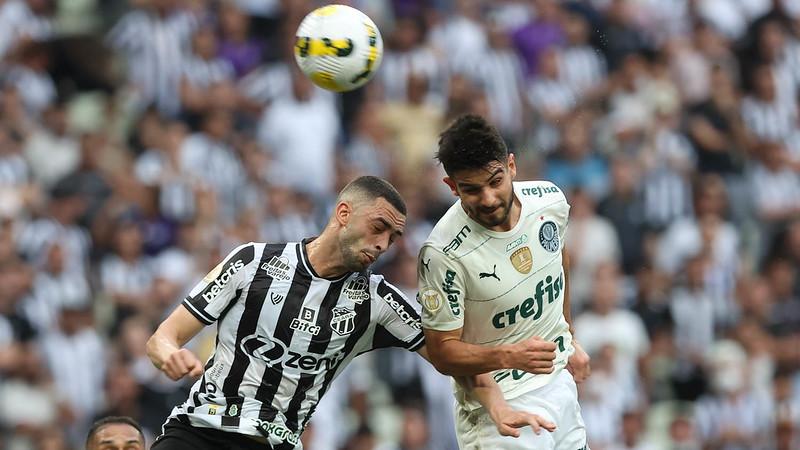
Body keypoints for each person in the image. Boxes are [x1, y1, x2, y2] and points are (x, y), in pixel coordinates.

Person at [146, 175, 556, 450]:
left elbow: (449, 355)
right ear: (344, 213)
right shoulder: (252, 262)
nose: (383, 245)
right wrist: (170, 355)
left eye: (393, 237)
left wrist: (497, 405)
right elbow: (163, 337)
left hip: (275, 443)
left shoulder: (376, 301)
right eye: (378, 227)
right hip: (198, 432)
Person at [417, 114, 592, 449]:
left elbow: (558, 258)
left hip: (560, 387)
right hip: (500, 408)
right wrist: (509, 356)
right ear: (452, 186)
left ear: (511, 166)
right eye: (471, 189)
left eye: (495, 181)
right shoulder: (442, 254)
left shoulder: (549, 200)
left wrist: (569, 335)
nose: (488, 198)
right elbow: (442, 352)